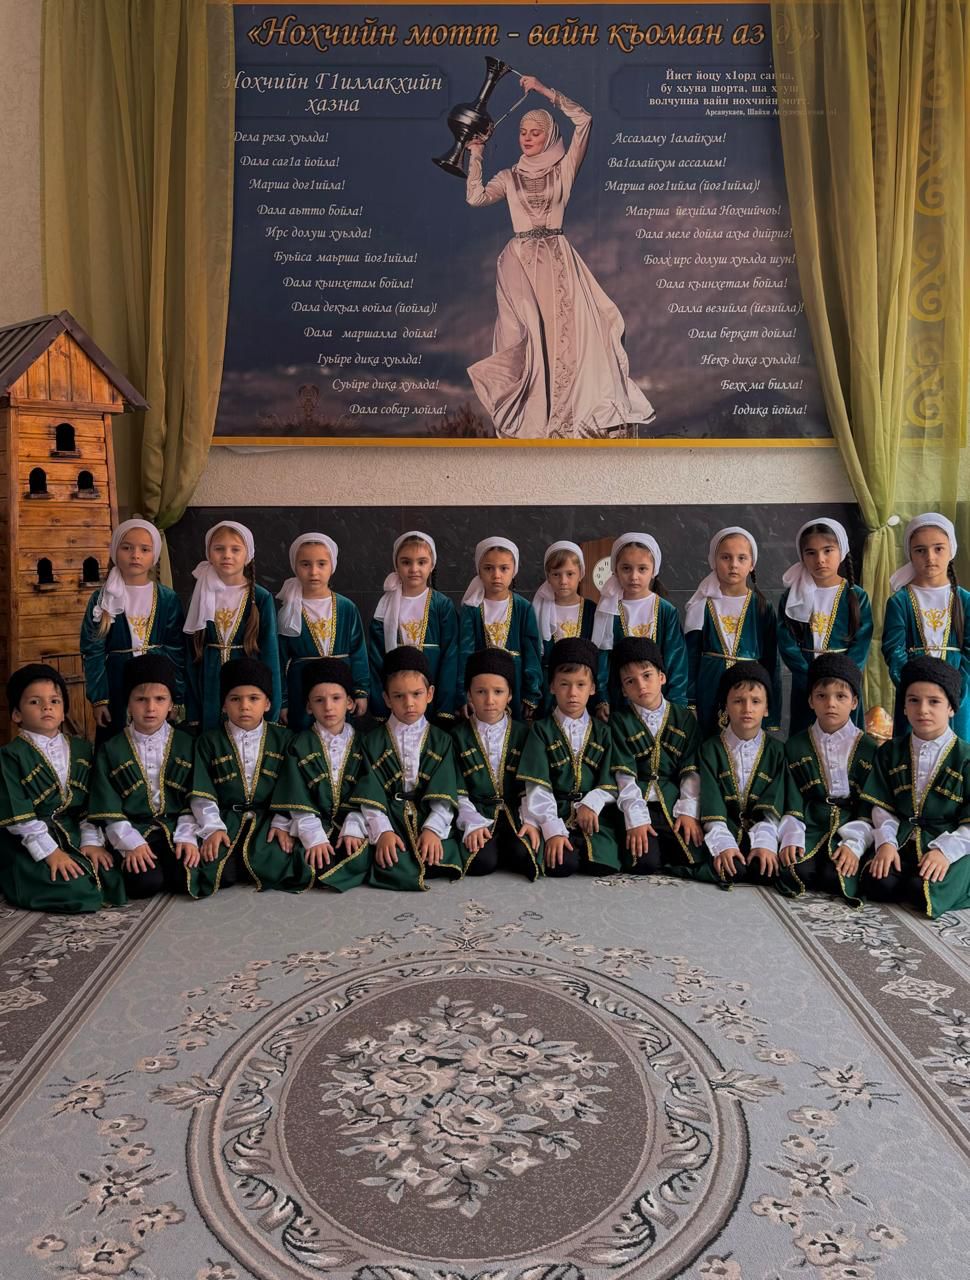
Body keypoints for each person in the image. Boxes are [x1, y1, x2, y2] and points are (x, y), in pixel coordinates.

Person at [465, 74, 654, 440]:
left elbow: (584, 120)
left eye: (535, 132)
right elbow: (475, 197)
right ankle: (533, 422)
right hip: (520, 264)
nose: (527, 138)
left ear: (549, 135)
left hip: (558, 261)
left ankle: (567, 422)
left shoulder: (563, 170)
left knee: (566, 339)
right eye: (523, 132)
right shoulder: (508, 177)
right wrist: (476, 154)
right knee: (527, 339)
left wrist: (541, 90)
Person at [0, 664, 124, 912]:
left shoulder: (82, 749)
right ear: (16, 714)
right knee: (74, 888)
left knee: (112, 875)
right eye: (35, 702)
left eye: (54, 701)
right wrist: (51, 853)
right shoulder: (10, 755)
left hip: (73, 831)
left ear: (64, 711)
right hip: (28, 841)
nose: (47, 707)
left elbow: (91, 803)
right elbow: (18, 815)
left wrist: (91, 842)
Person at [861, 656, 970, 916]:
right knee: (878, 883)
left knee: (922, 891)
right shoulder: (890, 751)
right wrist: (886, 843)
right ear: (904, 707)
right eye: (913, 700)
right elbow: (882, 806)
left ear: (951, 708)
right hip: (903, 839)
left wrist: (945, 852)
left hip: (952, 843)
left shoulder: (965, 757)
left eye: (934, 702)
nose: (923, 710)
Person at [87, 655, 201, 898]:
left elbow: (194, 798)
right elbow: (107, 806)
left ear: (171, 704)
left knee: (186, 878)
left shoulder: (187, 744)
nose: (150, 708)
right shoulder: (111, 748)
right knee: (145, 883)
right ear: (128, 704)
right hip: (132, 829)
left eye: (160, 699)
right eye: (141, 699)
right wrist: (131, 843)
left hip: (175, 827)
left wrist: (187, 837)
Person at [354, 646, 464, 889]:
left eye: (416, 694)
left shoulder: (442, 740)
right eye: (399, 696)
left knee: (438, 858)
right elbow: (370, 794)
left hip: (427, 814)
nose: (409, 703)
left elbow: (445, 793)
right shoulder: (372, 741)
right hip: (391, 817)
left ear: (430, 694)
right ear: (386, 699)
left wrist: (433, 829)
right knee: (389, 861)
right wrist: (383, 832)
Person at [189, 658, 297, 895]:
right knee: (219, 873)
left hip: (267, 821)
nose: (244, 706)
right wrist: (213, 828)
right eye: (235, 699)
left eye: (253, 698)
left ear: (268, 703)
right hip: (225, 820)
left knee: (277, 865)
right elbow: (202, 793)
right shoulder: (209, 741)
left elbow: (291, 788)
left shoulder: (284, 739)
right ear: (224, 704)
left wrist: (282, 822)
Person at [517, 637, 621, 876]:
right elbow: (537, 786)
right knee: (562, 865)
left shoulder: (604, 732)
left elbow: (611, 780)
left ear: (592, 688)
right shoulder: (541, 730)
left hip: (593, 816)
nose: (573, 693)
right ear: (552, 686)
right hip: (555, 811)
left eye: (581, 684)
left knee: (602, 866)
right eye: (564, 684)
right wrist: (552, 828)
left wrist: (591, 803)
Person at [776, 654, 876, 903]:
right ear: (811, 701)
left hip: (852, 824)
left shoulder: (869, 748)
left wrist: (855, 845)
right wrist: (791, 836)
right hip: (811, 823)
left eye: (840, 696)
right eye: (822, 696)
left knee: (837, 876)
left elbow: (870, 804)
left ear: (854, 702)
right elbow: (792, 798)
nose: (831, 703)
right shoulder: (796, 745)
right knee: (798, 871)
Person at [80, 519, 186, 741]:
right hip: (117, 683)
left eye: (144, 549)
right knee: (117, 741)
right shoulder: (102, 599)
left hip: (157, 683)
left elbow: (176, 650)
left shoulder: (167, 598)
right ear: (114, 551)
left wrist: (177, 696)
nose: (135, 555)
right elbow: (93, 651)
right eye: (127, 548)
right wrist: (100, 699)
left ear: (154, 555)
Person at [609, 638, 706, 876]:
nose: (641, 686)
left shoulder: (684, 718)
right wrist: (635, 818)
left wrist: (688, 811)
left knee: (691, 856)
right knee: (645, 863)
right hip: (637, 801)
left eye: (647, 676)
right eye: (630, 681)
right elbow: (623, 776)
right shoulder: (619, 721)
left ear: (662, 677)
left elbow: (691, 770)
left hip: (672, 801)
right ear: (623, 690)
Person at [452, 649, 542, 878]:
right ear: (469, 695)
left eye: (498, 692)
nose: (490, 700)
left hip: (515, 812)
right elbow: (457, 790)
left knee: (525, 856)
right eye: (481, 691)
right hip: (478, 813)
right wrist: (471, 823)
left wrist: (531, 821)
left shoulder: (524, 734)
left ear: (510, 694)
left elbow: (530, 787)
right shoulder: (456, 736)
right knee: (481, 863)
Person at [183, 521, 281, 731]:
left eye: (235, 549)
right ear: (209, 553)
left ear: (248, 555)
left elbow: (270, 652)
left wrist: (273, 705)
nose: (227, 555)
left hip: (248, 677)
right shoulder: (200, 594)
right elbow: (190, 653)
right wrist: (192, 709)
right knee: (212, 736)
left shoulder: (260, 597)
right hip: (209, 677)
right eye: (219, 549)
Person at [778, 517, 872, 734]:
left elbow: (862, 643)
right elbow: (786, 642)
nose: (820, 559)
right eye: (811, 553)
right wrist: (810, 679)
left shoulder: (856, 596)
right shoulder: (792, 597)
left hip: (844, 684)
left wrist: (843, 678)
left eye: (828, 550)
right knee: (806, 738)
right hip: (806, 683)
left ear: (842, 550)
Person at [685, 526, 781, 736]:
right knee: (709, 739)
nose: (733, 564)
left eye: (741, 558)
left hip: (749, 687)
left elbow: (771, 660)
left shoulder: (762, 606)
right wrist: (690, 701)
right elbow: (691, 656)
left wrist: (771, 706)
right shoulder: (701, 604)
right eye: (726, 557)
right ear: (714, 560)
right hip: (710, 684)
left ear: (752, 564)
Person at [882, 513, 970, 739]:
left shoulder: (965, 600)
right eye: (920, 550)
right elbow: (894, 651)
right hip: (914, 694)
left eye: (938, 548)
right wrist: (913, 690)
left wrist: (954, 692)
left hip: (957, 694)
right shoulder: (900, 601)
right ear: (910, 553)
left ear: (952, 550)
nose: (930, 557)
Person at [697, 662, 785, 887]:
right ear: (725, 706)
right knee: (731, 868)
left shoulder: (778, 752)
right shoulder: (710, 749)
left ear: (767, 708)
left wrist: (765, 844)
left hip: (761, 831)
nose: (747, 708)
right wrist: (723, 845)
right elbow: (711, 803)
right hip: (724, 828)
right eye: (738, 701)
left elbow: (774, 805)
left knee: (765, 871)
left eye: (756, 701)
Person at [276, 532, 369, 731]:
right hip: (301, 688)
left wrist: (360, 691)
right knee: (304, 737)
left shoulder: (346, 607)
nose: (313, 572)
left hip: (340, 686)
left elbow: (358, 652)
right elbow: (279, 660)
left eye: (321, 564)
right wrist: (283, 701)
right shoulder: (288, 611)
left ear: (332, 566)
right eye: (305, 564)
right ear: (295, 566)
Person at [367, 531, 459, 723]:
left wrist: (445, 704)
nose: (414, 569)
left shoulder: (441, 605)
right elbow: (376, 658)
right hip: (397, 694)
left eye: (422, 562)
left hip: (432, 690)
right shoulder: (385, 607)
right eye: (406, 562)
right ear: (396, 565)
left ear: (432, 565)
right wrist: (380, 703)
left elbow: (450, 656)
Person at [592, 532, 688, 711]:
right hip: (619, 701)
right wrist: (602, 698)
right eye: (626, 568)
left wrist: (676, 707)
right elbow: (603, 659)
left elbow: (676, 660)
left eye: (642, 569)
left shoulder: (666, 611)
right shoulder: (608, 610)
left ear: (654, 571)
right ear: (615, 570)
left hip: (659, 702)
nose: (634, 576)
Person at [458, 537, 543, 720]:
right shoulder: (471, 609)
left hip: (516, 683)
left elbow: (531, 653)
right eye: (489, 568)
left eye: (504, 568)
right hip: (481, 685)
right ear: (479, 570)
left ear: (514, 570)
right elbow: (465, 653)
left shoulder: (523, 607)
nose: (496, 575)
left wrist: (531, 693)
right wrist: (464, 692)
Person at [532, 540, 606, 717]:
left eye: (570, 574)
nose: (563, 581)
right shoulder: (538, 611)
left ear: (581, 574)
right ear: (548, 576)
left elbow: (599, 654)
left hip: (582, 690)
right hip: (547, 690)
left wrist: (601, 699)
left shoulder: (592, 610)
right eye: (556, 574)